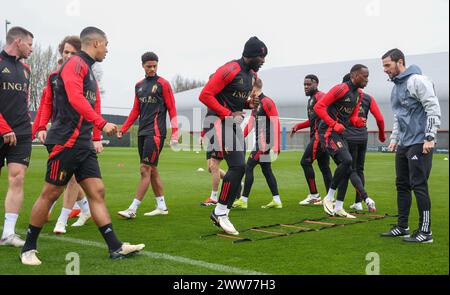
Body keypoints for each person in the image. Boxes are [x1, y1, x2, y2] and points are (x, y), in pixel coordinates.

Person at [20, 27, 145, 265]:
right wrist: (101, 123)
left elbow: (91, 104)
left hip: (83, 143)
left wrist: (95, 134)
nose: (107, 50)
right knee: (50, 193)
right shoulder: (75, 65)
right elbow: (75, 98)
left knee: (96, 191)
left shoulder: (88, 70)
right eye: (106, 44)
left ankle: (115, 247)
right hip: (66, 141)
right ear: (96, 43)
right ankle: (28, 249)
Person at [199, 36, 267, 235]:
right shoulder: (229, 69)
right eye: (261, 56)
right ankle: (220, 212)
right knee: (236, 166)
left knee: (240, 168)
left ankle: (221, 211)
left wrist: (248, 104)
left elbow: (235, 100)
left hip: (232, 123)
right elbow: (204, 95)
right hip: (218, 122)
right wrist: (228, 113)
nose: (263, 60)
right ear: (251, 54)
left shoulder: (251, 75)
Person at [32, 36, 93, 234]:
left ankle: (63, 218)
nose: (68, 56)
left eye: (73, 53)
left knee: (71, 179)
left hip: (77, 135)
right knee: (67, 177)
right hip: (58, 134)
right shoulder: (53, 77)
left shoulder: (85, 76)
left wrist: (97, 136)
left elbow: (94, 104)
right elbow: (47, 103)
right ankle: (85, 209)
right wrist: (41, 127)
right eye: (65, 52)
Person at [380, 48, 441, 243]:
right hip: (405, 144)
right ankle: (402, 226)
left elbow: (433, 108)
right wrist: (394, 139)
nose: (385, 70)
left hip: (420, 141)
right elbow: (399, 115)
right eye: (383, 66)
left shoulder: (418, 81)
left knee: (419, 186)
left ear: (400, 62)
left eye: (387, 65)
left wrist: (430, 137)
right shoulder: (396, 87)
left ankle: (426, 232)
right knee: (402, 185)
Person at [117, 52, 178, 218]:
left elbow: (172, 109)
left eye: (155, 66)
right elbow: (135, 110)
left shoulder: (163, 84)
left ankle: (132, 209)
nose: (152, 69)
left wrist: (175, 133)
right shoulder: (139, 85)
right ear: (143, 66)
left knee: (145, 169)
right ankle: (162, 207)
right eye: (148, 66)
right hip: (143, 132)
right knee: (152, 170)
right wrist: (123, 128)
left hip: (156, 133)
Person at [314, 64, 376, 218]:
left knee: (347, 168)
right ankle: (329, 198)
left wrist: (357, 121)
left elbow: (352, 117)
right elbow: (319, 107)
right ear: (354, 75)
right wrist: (334, 124)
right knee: (347, 161)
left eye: (368, 76)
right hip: (328, 132)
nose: (367, 79)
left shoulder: (359, 95)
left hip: (341, 134)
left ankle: (339, 207)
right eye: (364, 76)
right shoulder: (340, 88)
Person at [0, 27, 34, 247]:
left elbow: (24, 102)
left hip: (21, 133)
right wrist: (4, 128)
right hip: (2, 130)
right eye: (30, 44)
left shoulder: (26, 70)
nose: (31, 49)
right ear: (18, 41)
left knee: (18, 177)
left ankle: (8, 233)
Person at [336, 73, 385, 212]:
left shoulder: (344, 96)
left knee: (348, 170)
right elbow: (380, 119)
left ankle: (355, 200)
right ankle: (358, 203)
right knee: (360, 169)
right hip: (363, 137)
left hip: (347, 137)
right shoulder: (369, 98)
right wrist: (381, 135)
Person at [232, 78, 281, 209]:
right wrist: (240, 136)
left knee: (248, 167)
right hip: (261, 142)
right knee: (266, 170)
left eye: (249, 89)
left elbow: (276, 122)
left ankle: (243, 200)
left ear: (254, 89)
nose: (247, 92)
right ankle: (277, 200)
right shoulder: (256, 103)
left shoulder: (267, 102)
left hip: (265, 143)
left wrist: (276, 145)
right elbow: (251, 123)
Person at [290, 75, 332, 205]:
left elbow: (328, 115)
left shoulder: (321, 97)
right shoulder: (312, 100)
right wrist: (298, 126)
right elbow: (313, 120)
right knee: (325, 167)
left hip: (319, 137)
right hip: (320, 137)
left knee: (305, 162)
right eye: (304, 85)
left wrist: (324, 135)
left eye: (309, 84)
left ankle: (314, 195)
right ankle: (330, 198)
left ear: (316, 83)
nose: (306, 87)